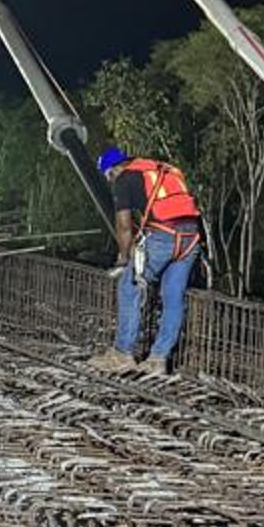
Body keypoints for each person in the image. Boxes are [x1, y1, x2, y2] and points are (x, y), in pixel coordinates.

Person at [93, 145, 202, 377]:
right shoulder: (162, 169)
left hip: (164, 237)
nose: (111, 181)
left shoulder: (124, 179)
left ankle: (123, 354)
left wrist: (124, 258)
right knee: (173, 296)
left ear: (113, 169)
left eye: (109, 176)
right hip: (190, 238)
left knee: (129, 286)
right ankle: (158, 359)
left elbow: (123, 226)